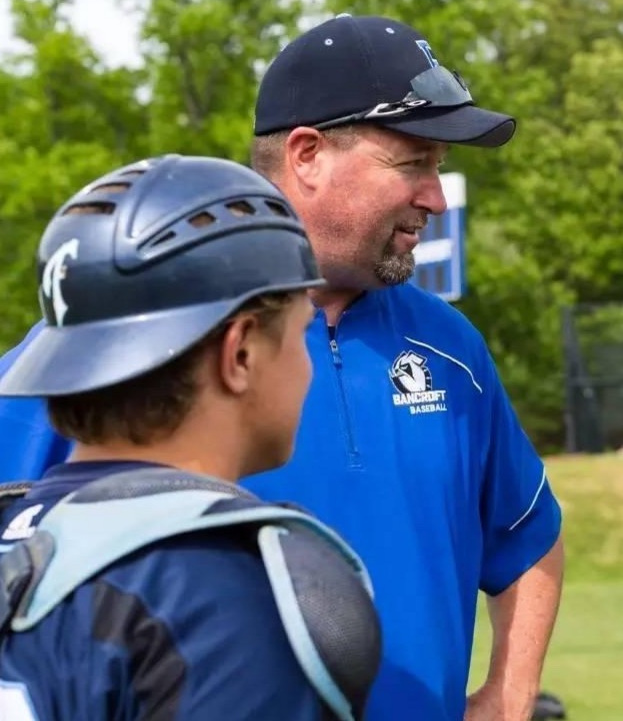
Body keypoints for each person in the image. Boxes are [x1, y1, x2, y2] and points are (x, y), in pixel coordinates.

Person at [0, 13, 564, 721]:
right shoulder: (108, 343)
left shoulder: (451, 348)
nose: (435, 197)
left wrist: (509, 696)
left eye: (438, 169)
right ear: (306, 154)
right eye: (413, 163)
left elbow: (530, 537)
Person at [0, 154, 381, 720]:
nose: (307, 368)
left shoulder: (17, 534)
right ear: (241, 352)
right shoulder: (220, 591)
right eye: (299, 333)